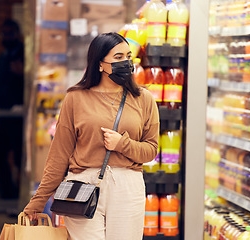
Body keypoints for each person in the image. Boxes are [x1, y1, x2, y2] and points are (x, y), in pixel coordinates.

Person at [24, 32, 159, 240]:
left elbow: (151, 150)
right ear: (99, 64)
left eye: (128, 56)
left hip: (127, 187)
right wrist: (38, 200)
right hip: (81, 186)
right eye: (118, 57)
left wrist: (122, 144)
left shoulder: (144, 99)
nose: (126, 62)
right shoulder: (75, 98)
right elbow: (59, 154)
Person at [0, 19, 24, 199]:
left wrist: (22, 73)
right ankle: (8, 194)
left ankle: (18, 197)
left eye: (10, 33)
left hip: (20, 117)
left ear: (17, 34)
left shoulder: (23, 53)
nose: (6, 37)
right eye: (3, 33)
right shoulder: (3, 57)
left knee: (20, 159)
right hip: (4, 116)